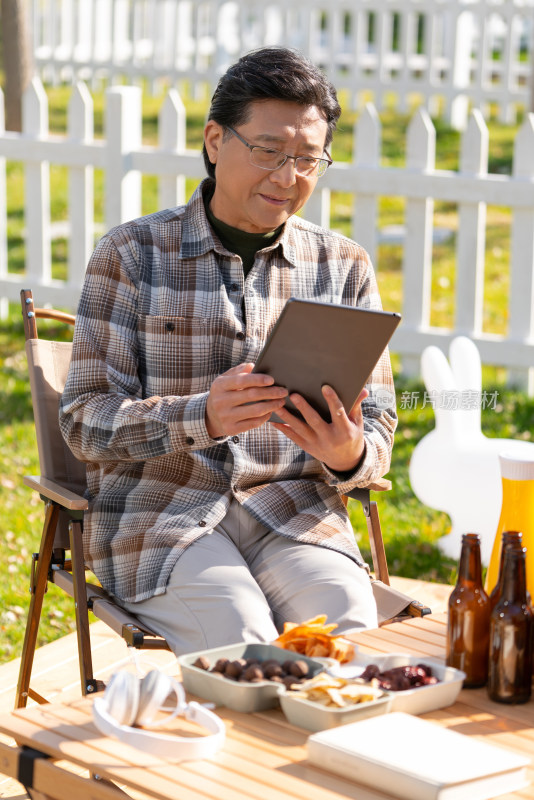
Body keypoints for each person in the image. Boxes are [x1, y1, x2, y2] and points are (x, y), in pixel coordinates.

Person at [59, 46, 397, 655]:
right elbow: (84, 420)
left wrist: (350, 455)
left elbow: (379, 428)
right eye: (268, 151)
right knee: (244, 641)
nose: (287, 176)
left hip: (294, 513)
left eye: (307, 158)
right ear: (216, 140)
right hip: (163, 516)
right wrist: (202, 416)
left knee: (353, 636)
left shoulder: (343, 266)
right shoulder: (132, 255)